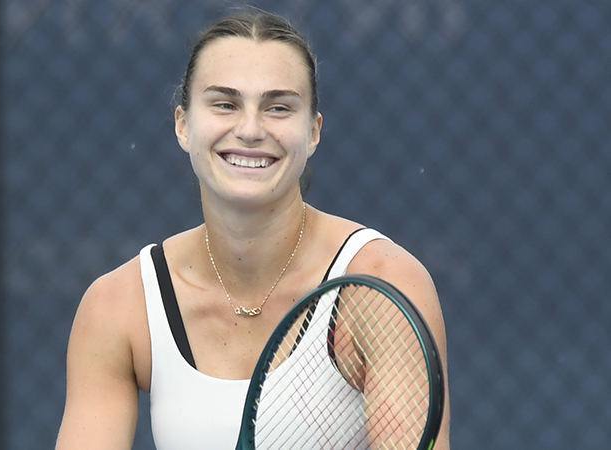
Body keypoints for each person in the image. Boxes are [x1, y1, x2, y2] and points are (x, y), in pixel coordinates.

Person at [55, 8, 450, 450]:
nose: (249, 129)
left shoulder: (383, 286)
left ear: (313, 132)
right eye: (225, 104)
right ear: (183, 125)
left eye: (278, 107)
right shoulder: (117, 306)